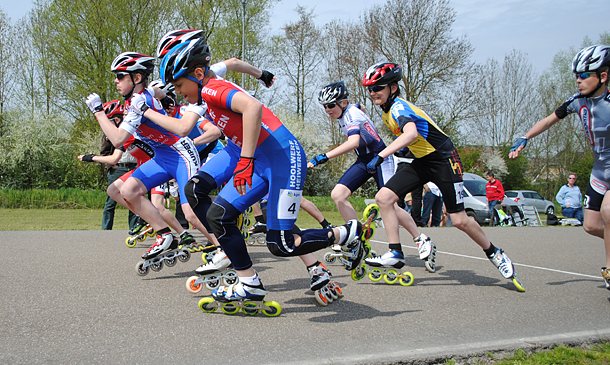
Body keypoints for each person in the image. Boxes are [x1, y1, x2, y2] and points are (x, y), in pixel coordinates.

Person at [138, 35, 363, 305]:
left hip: (281, 158)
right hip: (251, 152)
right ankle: (249, 283)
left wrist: (245, 162)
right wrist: (261, 74)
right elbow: (232, 63)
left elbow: (253, 107)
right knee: (217, 214)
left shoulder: (210, 89)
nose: (178, 92)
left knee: (281, 244)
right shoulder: (202, 85)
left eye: (179, 85)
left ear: (197, 73)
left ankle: (346, 233)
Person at [363, 62, 524, 290]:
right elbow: (415, 139)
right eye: (369, 89)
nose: (372, 93)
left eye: (377, 87)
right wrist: (403, 151)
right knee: (384, 198)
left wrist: (381, 155)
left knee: (459, 220)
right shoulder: (387, 111)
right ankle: (395, 253)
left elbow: (411, 133)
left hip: (444, 161)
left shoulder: (398, 107)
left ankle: (495, 253)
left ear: (393, 87)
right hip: (422, 160)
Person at [86, 51, 218, 261]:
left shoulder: (137, 103)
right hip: (162, 156)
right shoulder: (140, 96)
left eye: (120, 76)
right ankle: (164, 235)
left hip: (181, 154)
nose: (115, 81)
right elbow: (156, 91)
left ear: (136, 78)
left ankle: (226, 249)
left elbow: (118, 140)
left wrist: (98, 112)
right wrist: (165, 98)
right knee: (128, 189)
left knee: (191, 213)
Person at [509, 45, 610, 290]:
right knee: (591, 225)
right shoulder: (577, 102)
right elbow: (548, 120)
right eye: (576, 75)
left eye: (584, 75)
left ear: (603, 77)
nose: (578, 80)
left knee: (608, 211)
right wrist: (526, 137)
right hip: (599, 172)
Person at [309, 81, 434, 269]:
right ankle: (354, 237)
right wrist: (361, 106)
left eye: (330, 105)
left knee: (389, 204)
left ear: (342, 102)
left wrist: (323, 156)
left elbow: (353, 142)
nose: (327, 109)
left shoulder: (352, 116)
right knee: (338, 195)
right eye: (324, 106)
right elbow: (359, 107)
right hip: (364, 160)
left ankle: (421, 238)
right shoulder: (348, 110)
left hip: (381, 158)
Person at [78, 100, 137, 231]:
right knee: (111, 201)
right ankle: (106, 230)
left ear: (116, 118)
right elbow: (105, 153)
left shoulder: (131, 131)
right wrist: (112, 167)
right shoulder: (109, 134)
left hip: (134, 167)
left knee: (133, 200)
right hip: (118, 168)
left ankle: (134, 229)